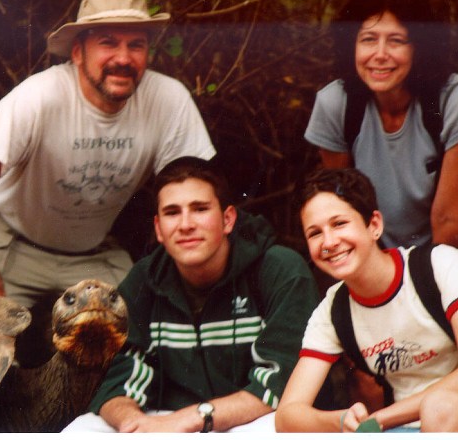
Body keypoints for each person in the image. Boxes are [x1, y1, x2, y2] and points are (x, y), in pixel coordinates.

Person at [0, 0, 214, 303]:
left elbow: (195, 195)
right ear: (78, 52)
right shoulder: (40, 96)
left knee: (138, 340)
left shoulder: (168, 99)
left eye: (136, 45)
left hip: (92, 254)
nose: (123, 58)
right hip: (10, 242)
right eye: (108, 43)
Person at [63, 156, 320, 433]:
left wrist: (194, 418)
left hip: (252, 418)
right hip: (162, 417)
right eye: (172, 213)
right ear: (159, 229)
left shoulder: (279, 270)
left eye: (199, 209)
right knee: (82, 430)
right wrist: (132, 422)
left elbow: (279, 384)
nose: (186, 224)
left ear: (228, 219)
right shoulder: (145, 279)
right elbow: (117, 376)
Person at [275, 168, 458, 433]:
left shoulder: (437, 265)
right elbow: (287, 416)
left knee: (440, 408)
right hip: (402, 430)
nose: (329, 242)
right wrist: (342, 420)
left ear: (374, 225)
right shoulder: (333, 309)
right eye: (315, 233)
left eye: (339, 224)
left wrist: (381, 419)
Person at [304, 0, 458, 251]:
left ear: (419, 48)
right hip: (375, 257)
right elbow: (344, 206)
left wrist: (423, 287)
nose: (380, 54)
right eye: (368, 39)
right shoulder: (335, 103)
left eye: (396, 41)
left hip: (450, 257)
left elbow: (447, 218)